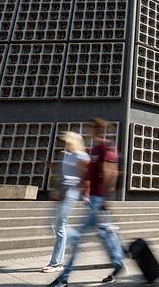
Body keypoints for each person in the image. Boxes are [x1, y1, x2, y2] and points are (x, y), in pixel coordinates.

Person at [49, 119, 124, 287]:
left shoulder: (106, 147)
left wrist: (105, 197)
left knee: (77, 236)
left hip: (99, 201)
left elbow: (111, 173)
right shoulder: (93, 150)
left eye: (89, 128)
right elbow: (87, 175)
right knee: (105, 234)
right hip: (93, 200)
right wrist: (78, 188)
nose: (87, 132)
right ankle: (119, 263)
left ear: (96, 129)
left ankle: (64, 278)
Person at [42, 132, 90, 273]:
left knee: (60, 226)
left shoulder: (81, 155)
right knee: (52, 225)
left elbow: (86, 176)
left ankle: (56, 263)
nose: (65, 144)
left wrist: (86, 194)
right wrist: (53, 167)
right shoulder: (68, 155)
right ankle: (74, 238)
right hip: (62, 191)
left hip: (70, 192)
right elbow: (66, 171)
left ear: (74, 142)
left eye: (68, 142)